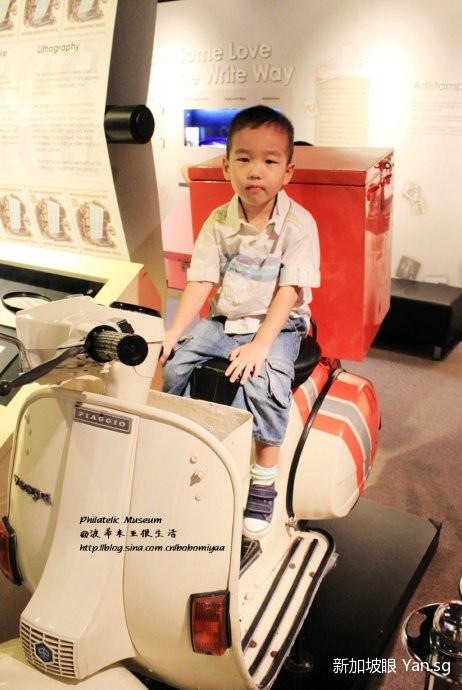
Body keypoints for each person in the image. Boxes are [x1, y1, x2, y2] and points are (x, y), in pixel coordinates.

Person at [161, 105, 320, 538]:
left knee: (265, 384)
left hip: (279, 324)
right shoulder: (217, 221)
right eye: (244, 158)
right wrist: (174, 331)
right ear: (226, 166)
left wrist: (261, 345)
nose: (255, 170)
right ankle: (189, 446)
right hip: (226, 318)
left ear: (287, 171)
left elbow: (289, 291)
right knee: (175, 366)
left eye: (269, 161)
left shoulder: (299, 225)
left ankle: (262, 484)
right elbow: (202, 279)